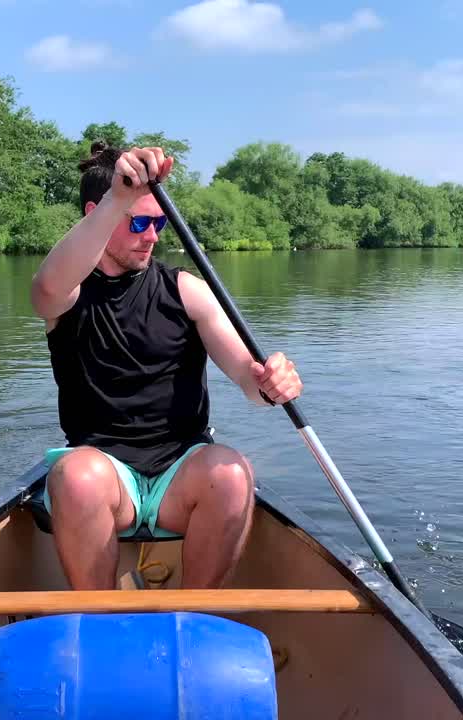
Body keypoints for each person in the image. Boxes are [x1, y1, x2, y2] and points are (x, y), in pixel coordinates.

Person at [30, 143, 304, 591]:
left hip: (180, 475)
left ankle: (193, 617)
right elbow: (45, 285)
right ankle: (100, 622)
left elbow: (249, 381)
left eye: (159, 222)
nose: (152, 236)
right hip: (105, 477)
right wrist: (120, 197)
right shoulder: (67, 295)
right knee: (76, 477)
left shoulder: (188, 292)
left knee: (232, 473)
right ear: (96, 213)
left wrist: (272, 384)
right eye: (138, 222)